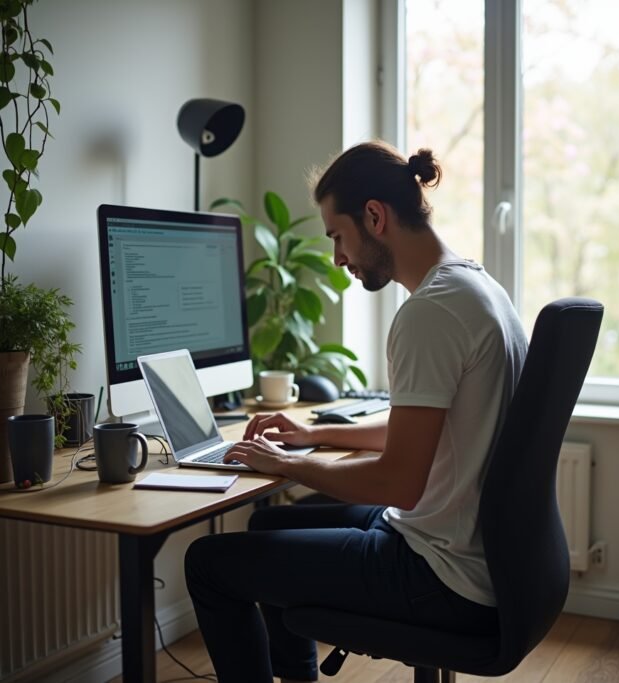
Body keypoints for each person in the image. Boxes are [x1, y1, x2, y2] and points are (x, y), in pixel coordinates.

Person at [184, 141, 528, 683]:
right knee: (268, 522)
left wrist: (287, 466)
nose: (338, 257)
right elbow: (424, 428)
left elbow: (400, 482)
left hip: (439, 575)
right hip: (465, 551)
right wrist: (308, 434)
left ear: (374, 216)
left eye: (337, 236)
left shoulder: (429, 313)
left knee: (208, 564)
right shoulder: (476, 287)